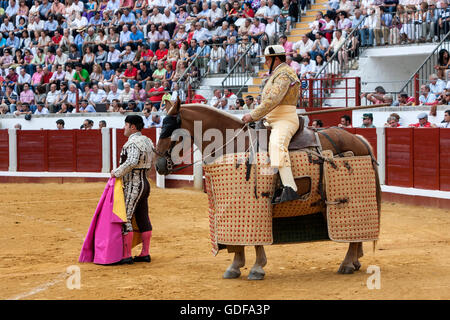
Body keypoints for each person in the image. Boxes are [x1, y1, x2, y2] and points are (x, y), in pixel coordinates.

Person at [241, 45, 301, 204]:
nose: (266, 62)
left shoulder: (285, 74)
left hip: (284, 119)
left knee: (276, 144)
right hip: (270, 118)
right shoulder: (277, 74)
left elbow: (273, 99)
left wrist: (253, 115)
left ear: (277, 58)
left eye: (268, 59)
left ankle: (289, 187)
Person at [110, 115, 155, 264]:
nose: (124, 128)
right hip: (145, 183)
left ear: (132, 127)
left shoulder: (133, 142)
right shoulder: (148, 141)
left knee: (126, 218)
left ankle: (126, 255)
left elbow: (132, 161)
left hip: (133, 184)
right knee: (143, 218)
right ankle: (145, 253)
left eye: (126, 125)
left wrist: (116, 172)